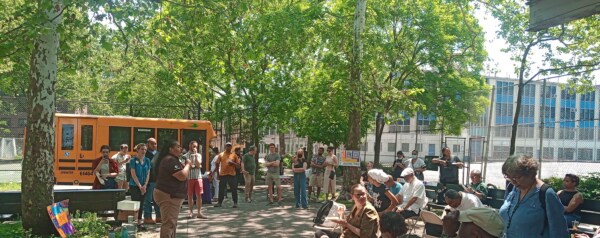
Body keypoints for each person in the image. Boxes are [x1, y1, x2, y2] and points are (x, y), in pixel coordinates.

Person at [499, 155, 568, 238]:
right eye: (509, 177)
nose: (513, 182)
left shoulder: (546, 194)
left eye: (517, 177)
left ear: (530, 174)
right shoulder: (511, 188)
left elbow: (558, 230)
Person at [152, 139, 190, 238]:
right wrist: (188, 165)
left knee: (172, 223)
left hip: (170, 195)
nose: (180, 148)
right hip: (169, 195)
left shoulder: (171, 159)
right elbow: (182, 176)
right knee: (169, 223)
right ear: (170, 149)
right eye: (177, 146)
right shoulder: (170, 160)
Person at [314, 184, 380, 238]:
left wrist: (346, 224)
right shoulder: (356, 206)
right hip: (347, 235)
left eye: (363, 194)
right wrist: (341, 214)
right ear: (352, 196)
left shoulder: (369, 210)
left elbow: (365, 235)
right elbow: (345, 226)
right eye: (358, 195)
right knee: (319, 233)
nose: (361, 197)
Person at [128, 143, 151, 231]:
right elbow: (133, 174)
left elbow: (148, 173)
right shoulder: (133, 160)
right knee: (135, 204)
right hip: (135, 185)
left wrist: (145, 185)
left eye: (145, 149)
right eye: (142, 149)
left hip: (144, 186)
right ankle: (134, 223)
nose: (144, 151)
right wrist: (140, 186)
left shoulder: (147, 160)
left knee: (142, 204)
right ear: (137, 150)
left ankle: (139, 223)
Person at [214, 142, 241, 208]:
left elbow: (238, 166)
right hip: (223, 174)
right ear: (225, 147)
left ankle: (235, 202)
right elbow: (217, 164)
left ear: (231, 147)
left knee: (234, 189)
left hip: (232, 174)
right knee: (221, 189)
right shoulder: (221, 154)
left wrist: (233, 163)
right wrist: (217, 174)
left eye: (229, 146)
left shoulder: (234, 155)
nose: (228, 147)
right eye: (227, 146)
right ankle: (219, 202)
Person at [184, 141, 207, 219]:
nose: (194, 148)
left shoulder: (199, 155)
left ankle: (199, 212)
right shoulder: (185, 156)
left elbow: (198, 164)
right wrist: (195, 166)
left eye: (195, 146)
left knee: (199, 195)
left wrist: (196, 156)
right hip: (189, 178)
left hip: (198, 177)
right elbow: (186, 167)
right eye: (193, 146)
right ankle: (190, 212)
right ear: (189, 146)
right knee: (189, 195)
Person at [144, 137, 161, 224]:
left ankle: (159, 217)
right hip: (149, 181)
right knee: (148, 200)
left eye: (155, 143)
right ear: (148, 145)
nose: (154, 145)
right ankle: (147, 217)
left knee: (157, 200)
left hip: (158, 181)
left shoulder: (159, 154)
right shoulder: (145, 154)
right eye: (152, 143)